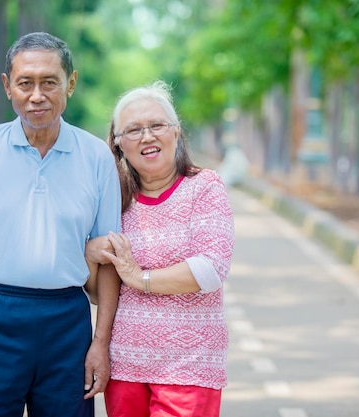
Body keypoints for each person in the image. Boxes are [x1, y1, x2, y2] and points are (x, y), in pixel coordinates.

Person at [0, 32, 121, 417]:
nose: (37, 95)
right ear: (7, 87)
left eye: (49, 82)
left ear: (71, 83)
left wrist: (101, 342)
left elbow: (110, 255)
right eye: (25, 83)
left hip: (67, 321)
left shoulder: (97, 156)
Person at [86, 80, 235, 417]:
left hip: (189, 366)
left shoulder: (204, 187)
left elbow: (210, 270)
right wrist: (88, 254)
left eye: (156, 125)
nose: (147, 136)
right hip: (124, 365)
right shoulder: (114, 202)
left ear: (176, 132)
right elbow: (98, 293)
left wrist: (139, 278)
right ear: (119, 143)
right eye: (133, 130)